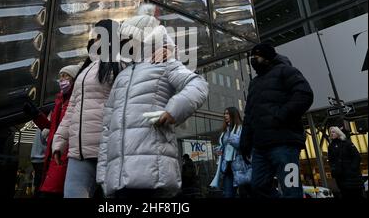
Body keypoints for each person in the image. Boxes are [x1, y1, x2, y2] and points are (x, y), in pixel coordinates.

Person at [97, 24, 209, 198]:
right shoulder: (121, 76)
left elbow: (198, 85)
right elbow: (107, 129)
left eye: (127, 40)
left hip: (153, 170)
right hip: (118, 179)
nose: (124, 45)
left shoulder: (164, 64)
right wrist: (103, 176)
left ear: (141, 39)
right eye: (121, 41)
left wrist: (173, 111)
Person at [52, 20, 121, 198]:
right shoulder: (86, 69)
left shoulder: (120, 64)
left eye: (99, 35)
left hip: (108, 150)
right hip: (79, 152)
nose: (95, 39)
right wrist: (59, 142)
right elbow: (72, 109)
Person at [240, 43, 314, 198]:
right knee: (258, 186)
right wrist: (245, 142)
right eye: (252, 57)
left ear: (267, 57)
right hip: (260, 146)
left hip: (285, 143)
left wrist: (281, 115)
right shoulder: (254, 83)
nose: (254, 59)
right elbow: (249, 115)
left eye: (257, 56)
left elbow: (304, 94)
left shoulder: (286, 71)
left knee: (291, 187)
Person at [24, 64, 81, 197]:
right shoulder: (59, 101)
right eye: (60, 76)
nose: (62, 79)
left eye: (66, 76)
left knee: (50, 192)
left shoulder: (74, 101)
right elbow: (52, 128)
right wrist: (36, 116)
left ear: (74, 79)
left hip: (63, 156)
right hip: (52, 155)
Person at [211, 107, 251, 198]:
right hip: (227, 168)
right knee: (228, 195)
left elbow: (245, 146)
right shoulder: (225, 131)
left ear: (233, 115)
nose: (225, 116)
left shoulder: (241, 128)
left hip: (241, 168)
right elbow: (223, 146)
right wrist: (217, 150)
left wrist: (232, 139)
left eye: (227, 114)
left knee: (245, 194)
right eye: (224, 114)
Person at [328, 126, 364, 199]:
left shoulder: (347, 143)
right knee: (345, 194)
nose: (331, 134)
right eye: (330, 132)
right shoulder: (331, 146)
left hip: (352, 177)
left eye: (333, 132)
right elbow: (331, 160)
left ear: (338, 133)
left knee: (356, 194)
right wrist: (334, 170)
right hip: (340, 177)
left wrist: (352, 169)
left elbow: (357, 157)